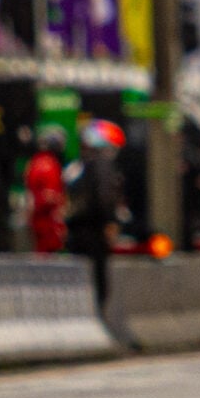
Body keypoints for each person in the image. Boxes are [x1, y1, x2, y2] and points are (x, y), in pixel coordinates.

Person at [63, 118, 128, 306]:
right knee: (98, 276)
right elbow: (104, 196)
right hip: (94, 228)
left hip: (76, 229)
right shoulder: (102, 165)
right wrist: (110, 221)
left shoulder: (75, 167)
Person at [25, 125, 68, 255]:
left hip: (36, 219)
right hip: (48, 221)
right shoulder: (50, 165)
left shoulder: (34, 162)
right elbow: (49, 197)